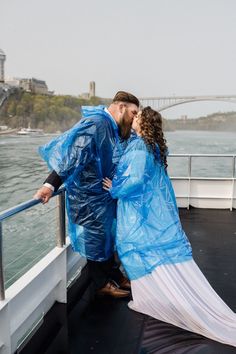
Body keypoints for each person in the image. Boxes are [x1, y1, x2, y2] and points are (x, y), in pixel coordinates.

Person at [103, 106, 236, 346]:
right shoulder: (152, 147)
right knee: (150, 254)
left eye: (138, 116)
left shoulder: (140, 148)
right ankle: (152, 297)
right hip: (151, 211)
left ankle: (149, 299)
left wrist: (114, 187)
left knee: (138, 251)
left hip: (138, 212)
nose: (134, 118)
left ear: (144, 124)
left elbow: (133, 182)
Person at [34, 91, 139, 298]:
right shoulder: (96, 124)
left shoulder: (112, 127)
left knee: (107, 237)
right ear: (121, 107)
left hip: (102, 196)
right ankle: (101, 285)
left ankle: (114, 276)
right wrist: (50, 185)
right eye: (133, 113)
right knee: (95, 239)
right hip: (88, 198)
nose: (134, 118)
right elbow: (71, 156)